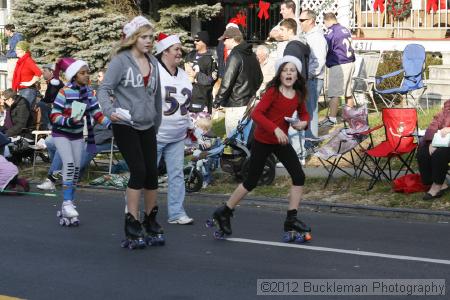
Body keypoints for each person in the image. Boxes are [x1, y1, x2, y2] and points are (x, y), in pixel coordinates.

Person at [209, 56, 311, 241]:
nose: (289, 73)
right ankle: (224, 211)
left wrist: (303, 123)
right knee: (251, 181)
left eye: (292, 70)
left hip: (280, 142)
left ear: (297, 75)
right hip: (263, 140)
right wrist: (276, 128)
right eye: (285, 70)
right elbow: (257, 114)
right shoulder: (273, 92)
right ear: (280, 74)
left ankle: (291, 218)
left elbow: (304, 113)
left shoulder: (298, 94)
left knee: (299, 176)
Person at [98, 16, 163, 248]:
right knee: (138, 170)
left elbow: (157, 96)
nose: (149, 41)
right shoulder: (121, 61)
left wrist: (157, 122)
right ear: (134, 38)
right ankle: (132, 221)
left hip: (147, 124)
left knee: (152, 173)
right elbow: (104, 89)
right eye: (144, 37)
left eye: (151, 37)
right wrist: (109, 111)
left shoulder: (153, 61)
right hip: (124, 123)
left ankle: (151, 219)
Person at [50, 58, 111, 227]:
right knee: (69, 165)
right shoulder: (64, 92)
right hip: (61, 134)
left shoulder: (89, 93)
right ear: (74, 76)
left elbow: (97, 114)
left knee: (76, 169)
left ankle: (67, 205)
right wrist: (69, 121)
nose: (86, 76)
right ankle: (68, 203)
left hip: (76, 135)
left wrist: (112, 124)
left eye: (87, 73)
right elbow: (54, 115)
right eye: (82, 73)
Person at [154, 33, 194, 225]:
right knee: (146, 174)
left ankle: (176, 212)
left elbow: (183, 104)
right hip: (155, 135)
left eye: (180, 49)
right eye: (176, 49)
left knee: (176, 175)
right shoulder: (154, 71)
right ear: (164, 51)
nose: (180, 52)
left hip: (177, 135)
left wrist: (190, 126)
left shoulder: (183, 73)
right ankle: (135, 210)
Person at [213, 27, 263, 136]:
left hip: (235, 105)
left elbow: (227, 82)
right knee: (246, 141)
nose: (223, 43)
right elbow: (260, 78)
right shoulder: (252, 54)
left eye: (225, 39)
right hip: (250, 104)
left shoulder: (235, 55)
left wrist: (217, 101)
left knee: (235, 141)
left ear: (232, 39)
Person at [36, 124, 114, 190]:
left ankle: (68, 176)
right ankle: (53, 177)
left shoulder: (109, 112)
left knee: (84, 147)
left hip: (102, 140)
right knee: (55, 143)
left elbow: (106, 132)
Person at [319, 12, 356, 128]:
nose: (325, 26)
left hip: (339, 64)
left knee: (334, 93)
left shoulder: (331, 31)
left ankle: (332, 119)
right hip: (350, 62)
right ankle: (350, 117)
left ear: (327, 21)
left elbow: (325, 46)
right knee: (348, 92)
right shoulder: (344, 29)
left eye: (324, 23)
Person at [299, 9, 327, 145]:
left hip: (313, 79)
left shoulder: (317, 38)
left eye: (302, 20)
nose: (300, 23)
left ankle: (310, 143)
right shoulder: (308, 35)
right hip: (309, 78)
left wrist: (307, 76)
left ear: (311, 20)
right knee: (307, 110)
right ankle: (309, 141)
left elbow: (319, 61)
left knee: (310, 111)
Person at [417, 100, 450, 200]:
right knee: (423, 152)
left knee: (439, 154)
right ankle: (438, 183)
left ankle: (436, 187)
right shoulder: (446, 109)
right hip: (443, 141)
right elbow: (433, 125)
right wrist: (432, 142)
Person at [185, 31, 218, 114]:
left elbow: (211, 80)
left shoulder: (211, 59)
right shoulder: (190, 56)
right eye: (195, 40)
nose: (195, 42)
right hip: (187, 98)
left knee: (202, 126)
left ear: (204, 42)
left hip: (202, 101)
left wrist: (196, 75)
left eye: (198, 40)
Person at [12, 41, 42, 106]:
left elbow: (38, 72)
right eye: (16, 49)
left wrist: (30, 82)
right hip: (22, 90)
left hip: (28, 91)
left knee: (24, 112)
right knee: (24, 113)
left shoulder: (28, 60)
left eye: (18, 49)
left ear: (24, 50)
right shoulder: (20, 61)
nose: (16, 51)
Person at [5, 24, 23, 89]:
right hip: (10, 59)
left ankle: (13, 93)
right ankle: (10, 92)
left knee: (12, 77)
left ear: (9, 30)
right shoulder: (9, 37)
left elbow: (21, 47)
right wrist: (8, 48)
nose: (5, 32)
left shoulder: (18, 36)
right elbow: (11, 47)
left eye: (6, 30)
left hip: (15, 59)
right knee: (10, 77)